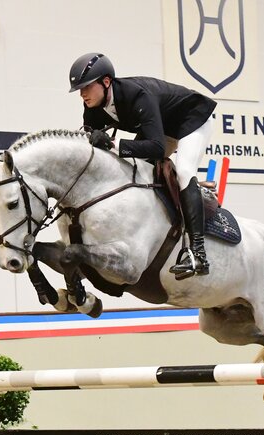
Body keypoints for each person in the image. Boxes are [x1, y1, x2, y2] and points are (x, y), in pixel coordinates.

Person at [69, 52, 217, 280]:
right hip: (161, 126)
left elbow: (157, 148)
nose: (82, 94)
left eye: (87, 87)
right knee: (133, 170)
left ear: (106, 82)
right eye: (80, 89)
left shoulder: (137, 96)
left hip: (191, 119)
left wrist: (112, 143)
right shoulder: (92, 107)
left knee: (185, 171)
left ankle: (198, 253)